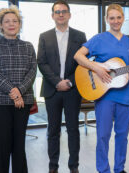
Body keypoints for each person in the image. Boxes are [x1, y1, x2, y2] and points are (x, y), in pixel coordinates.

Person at [74, 4, 129, 173]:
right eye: (112, 18)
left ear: (123, 18)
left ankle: (119, 168)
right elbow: (78, 56)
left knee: (122, 136)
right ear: (107, 19)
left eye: (119, 17)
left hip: (126, 94)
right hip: (105, 95)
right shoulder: (98, 39)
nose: (115, 21)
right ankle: (103, 170)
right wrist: (97, 68)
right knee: (103, 135)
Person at [0, 5, 37, 173]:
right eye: (7, 21)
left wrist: (19, 91)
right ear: (0, 25)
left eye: (15, 21)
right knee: (1, 146)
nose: (11, 24)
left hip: (23, 101)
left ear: (19, 24)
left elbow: (32, 71)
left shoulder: (28, 46)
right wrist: (15, 93)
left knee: (19, 145)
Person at [37, 1, 87, 173]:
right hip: (52, 90)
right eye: (57, 12)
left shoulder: (80, 36)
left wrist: (70, 82)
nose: (61, 14)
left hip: (73, 90)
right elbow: (41, 62)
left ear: (69, 15)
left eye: (64, 11)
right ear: (52, 15)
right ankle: (53, 166)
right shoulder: (44, 36)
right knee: (53, 130)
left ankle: (74, 167)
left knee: (73, 129)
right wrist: (57, 81)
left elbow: (84, 63)